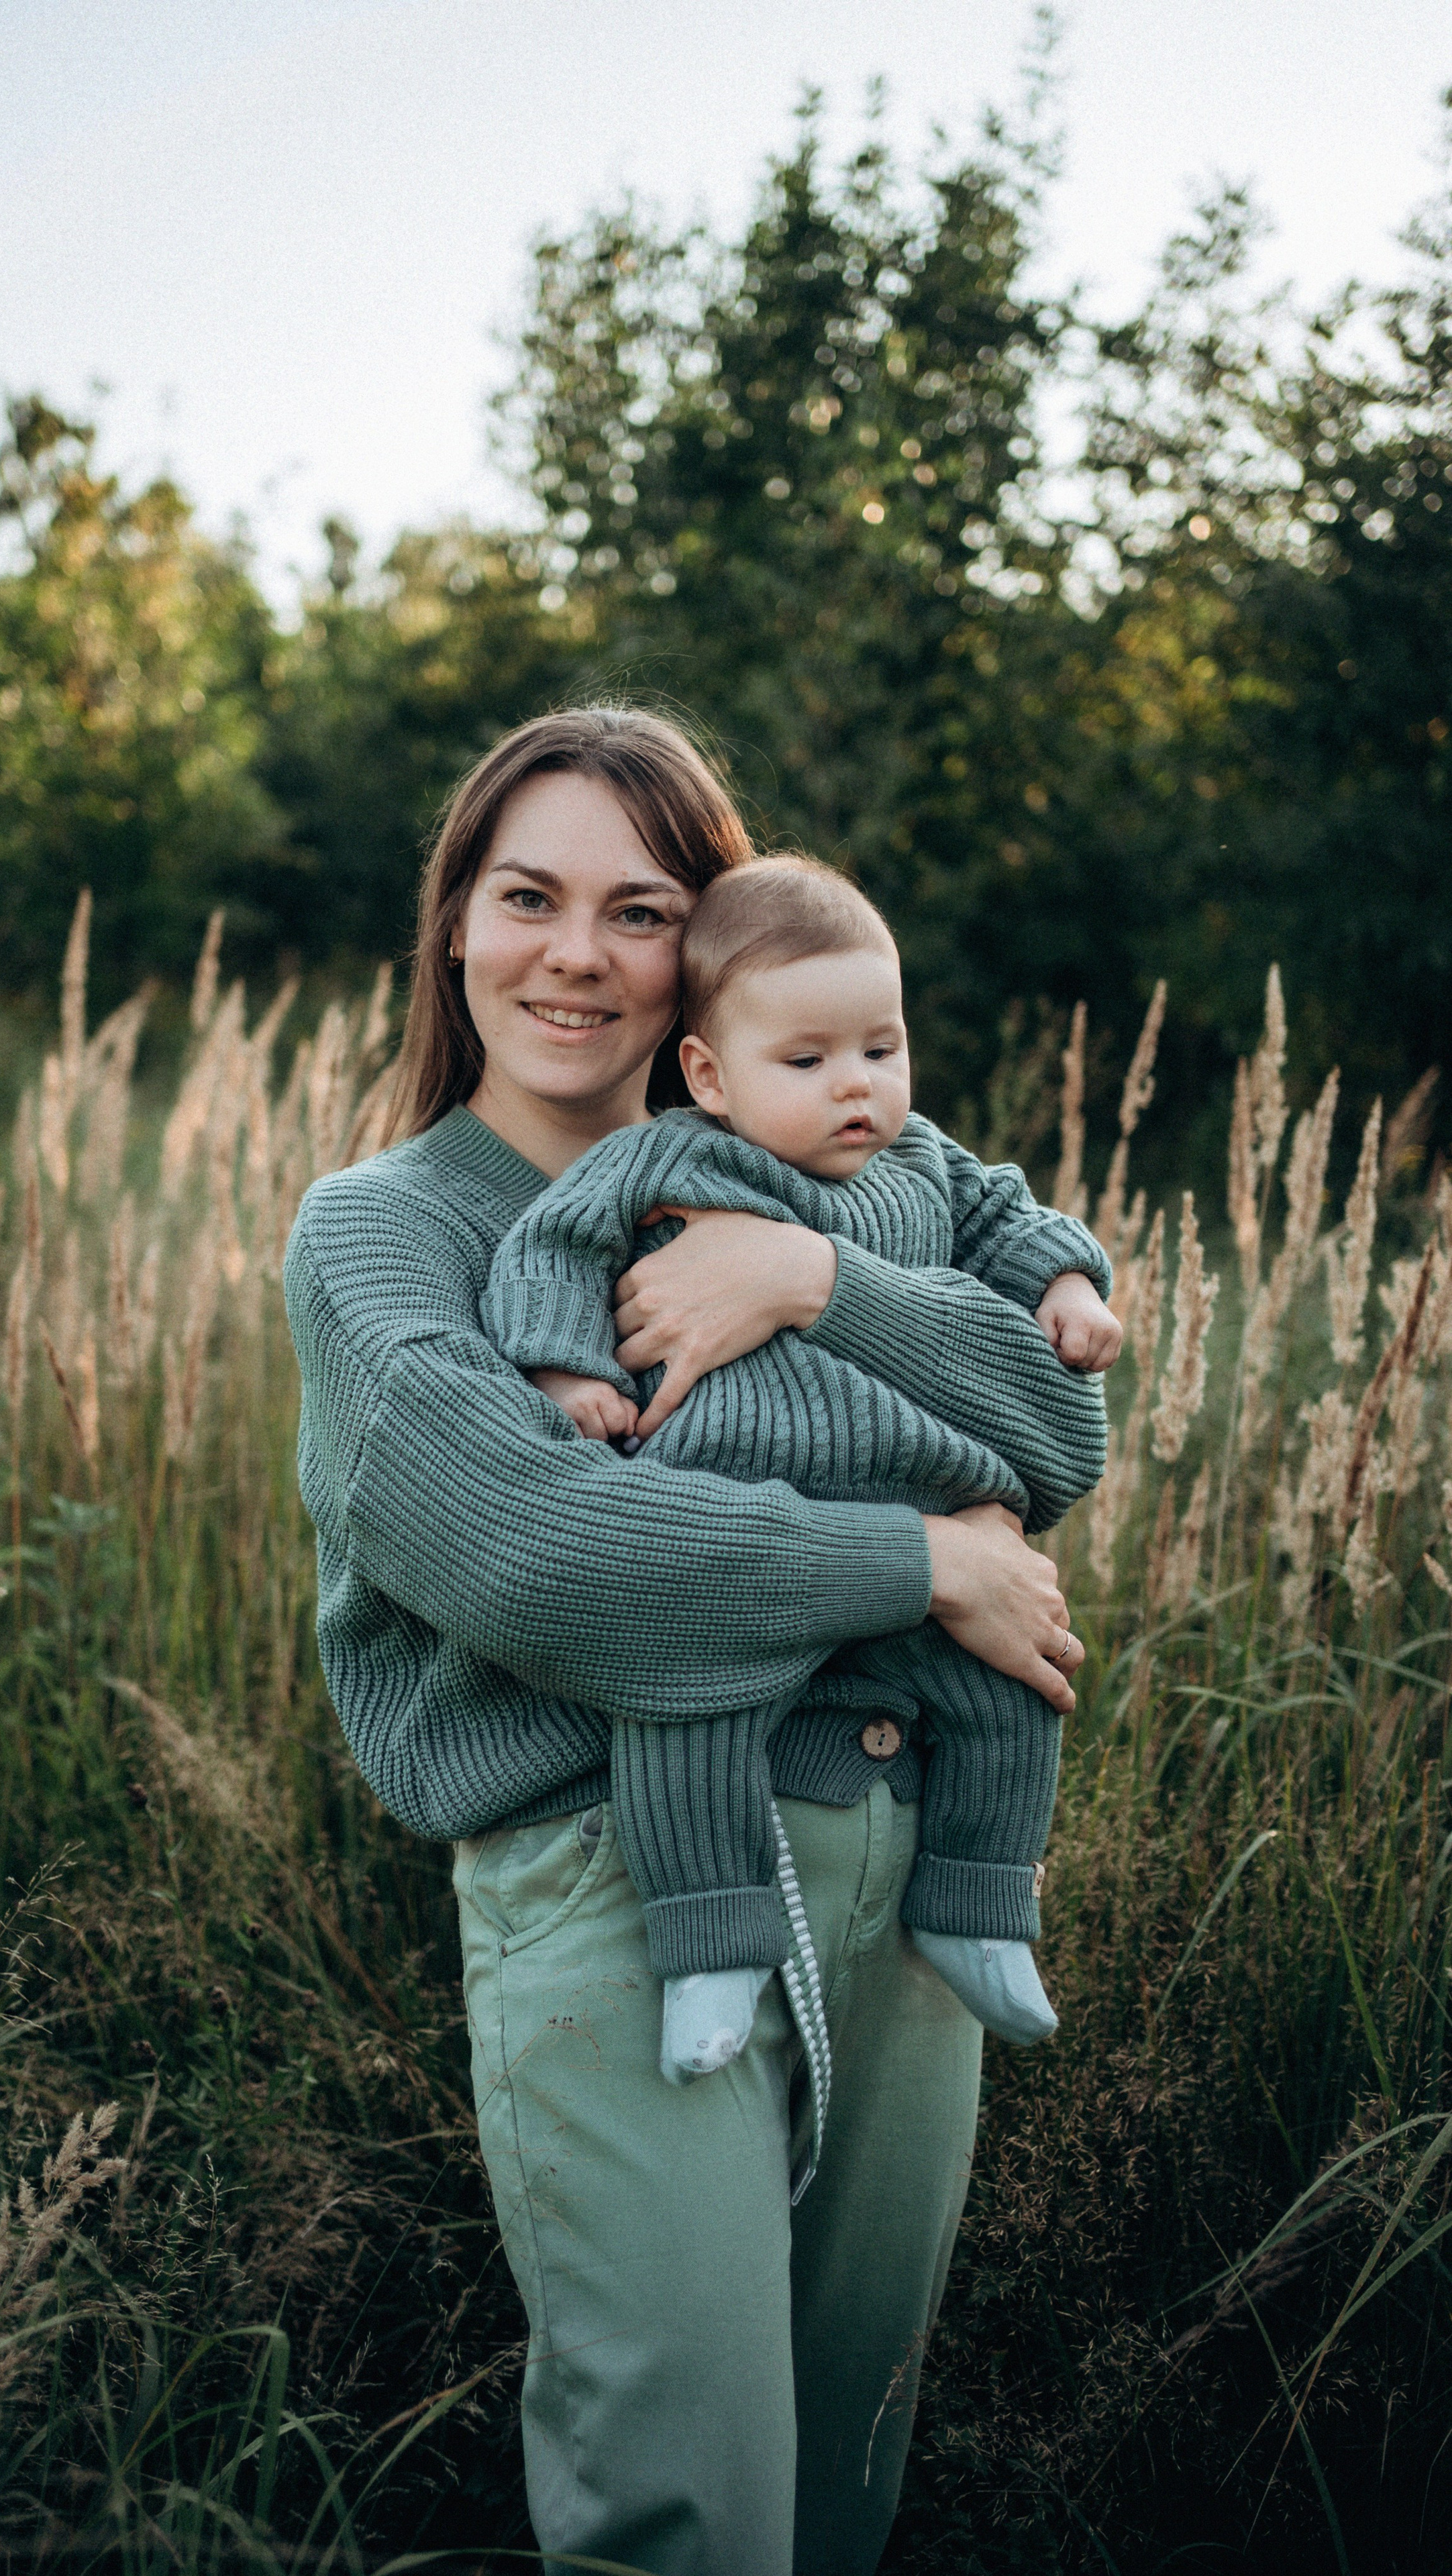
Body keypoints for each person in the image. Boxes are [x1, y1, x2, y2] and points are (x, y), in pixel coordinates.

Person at [283, 707, 1089, 2576]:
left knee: (845, 2476)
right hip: (617, 1885)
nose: (575, 956)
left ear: (704, 958)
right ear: (455, 925)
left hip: (905, 1863)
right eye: (527, 898)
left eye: (638, 912)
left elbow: (1058, 1437)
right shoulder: (381, 1236)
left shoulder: (840, 1163)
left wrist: (817, 1280)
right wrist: (921, 1563)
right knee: (692, 2505)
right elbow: (548, 1557)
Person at [480, 855, 1120, 2090]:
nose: (856, 1086)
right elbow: (549, 1250)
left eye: (881, 1048)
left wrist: (1067, 1288)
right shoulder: (663, 1159)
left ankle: (980, 1905)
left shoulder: (922, 1164)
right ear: (711, 1074)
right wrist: (567, 1373)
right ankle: (710, 1948)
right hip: (727, 1505)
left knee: (1012, 1687)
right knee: (689, 1717)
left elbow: (1008, 1217)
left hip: (917, 1497)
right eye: (808, 1060)